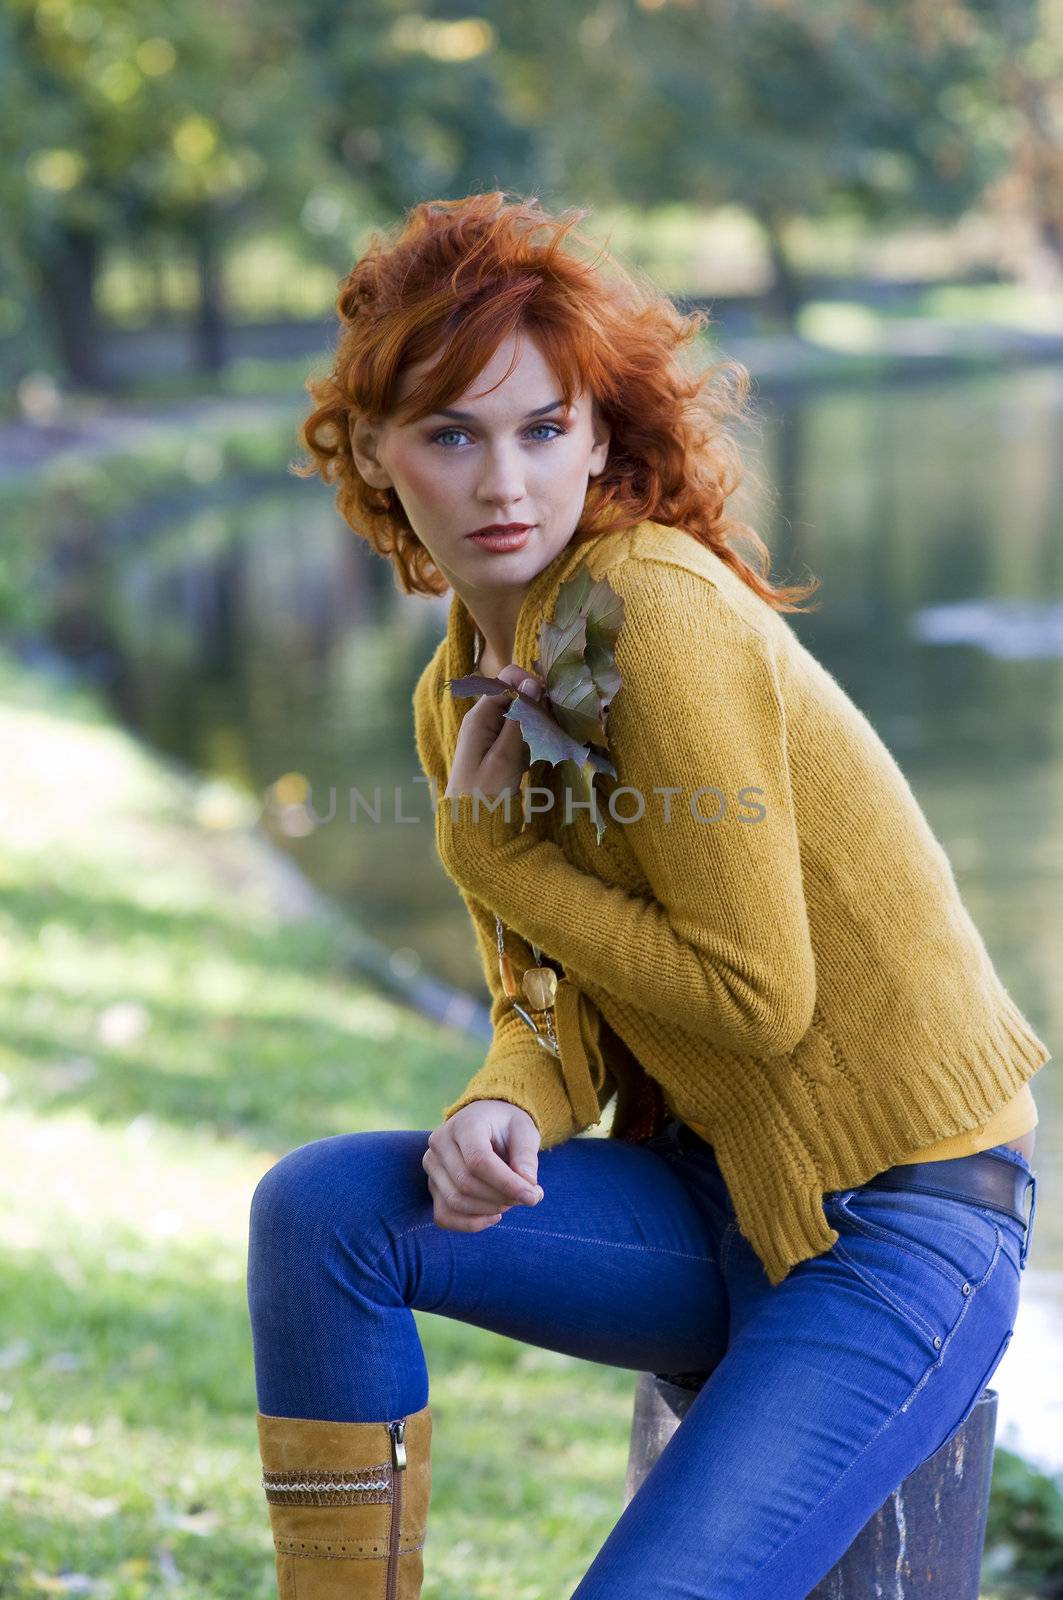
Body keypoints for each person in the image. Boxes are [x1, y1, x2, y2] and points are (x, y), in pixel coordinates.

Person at [245, 191, 1048, 1600]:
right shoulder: (460, 691)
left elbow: (754, 996)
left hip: (900, 1221)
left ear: (600, 435)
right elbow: (549, 999)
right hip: (712, 1196)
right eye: (452, 434)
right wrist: (504, 1101)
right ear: (375, 452)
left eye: (543, 430)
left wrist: (494, 863)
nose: (504, 483)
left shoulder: (653, 611)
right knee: (326, 1210)